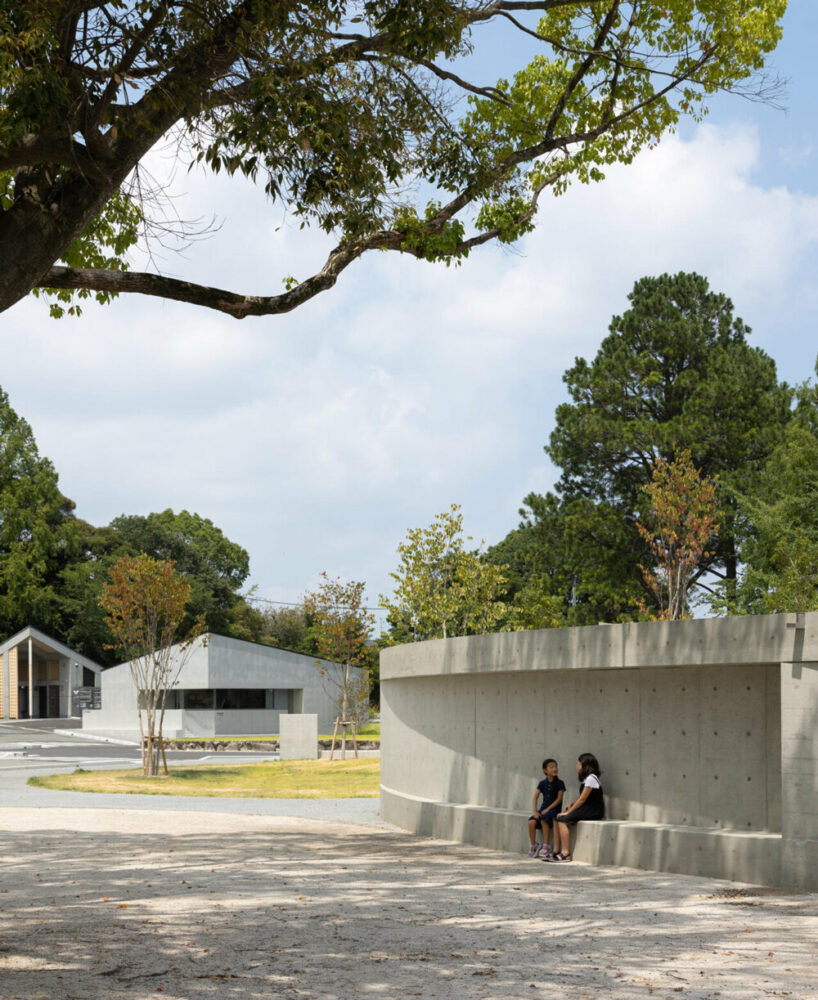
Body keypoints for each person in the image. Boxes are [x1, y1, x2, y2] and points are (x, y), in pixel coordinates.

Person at [549, 752, 605, 862]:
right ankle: (556, 850)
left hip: (593, 810)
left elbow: (582, 800)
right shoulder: (588, 779)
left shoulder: (591, 778)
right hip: (588, 808)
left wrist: (568, 812)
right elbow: (584, 798)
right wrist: (571, 805)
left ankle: (565, 853)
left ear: (585, 765)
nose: (577, 766)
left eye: (578, 764)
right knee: (556, 818)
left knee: (562, 820)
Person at [527, 758, 565, 859]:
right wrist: (535, 811)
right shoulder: (542, 783)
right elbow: (535, 797)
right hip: (543, 810)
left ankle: (547, 845)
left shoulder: (560, 783)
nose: (555, 769)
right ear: (545, 770)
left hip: (554, 810)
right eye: (551, 767)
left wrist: (548, 809)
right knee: (531, 822)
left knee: (544, 819)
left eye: (555, 767)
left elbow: (559, 799)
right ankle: (534, 845)